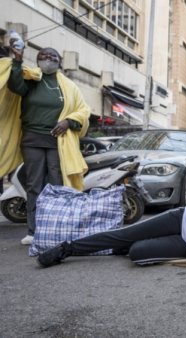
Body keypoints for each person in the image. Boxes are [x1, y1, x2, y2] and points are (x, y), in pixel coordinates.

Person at [36, 140, 186, 268]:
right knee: (123, 234)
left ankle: (125, 246)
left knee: (137, 254)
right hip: (182, 218)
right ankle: (66, 249)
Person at [4, 40, 91, 246]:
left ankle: (57, 227)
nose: (48, 60)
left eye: (53, 57)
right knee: (34, 185)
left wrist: (68, 122)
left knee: (56, 185)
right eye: (43, 56)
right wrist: (17, 59)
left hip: (58, 141)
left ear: (59, 62)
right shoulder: (31, 79)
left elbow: (83, 109)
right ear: (37, 60)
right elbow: (14, 85)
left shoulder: (69, 86)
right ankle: (33, 231)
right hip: (32, 139)